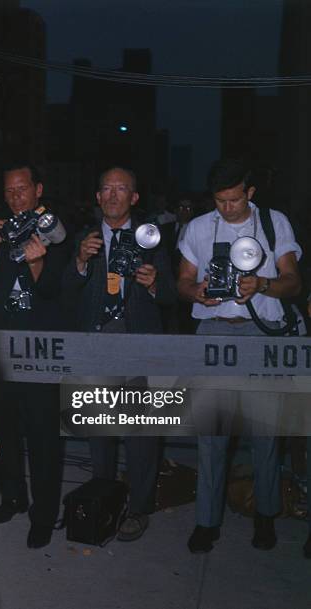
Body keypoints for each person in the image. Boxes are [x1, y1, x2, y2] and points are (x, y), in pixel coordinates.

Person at [178, 159, 302, 554]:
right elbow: (182, 280)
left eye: (233, 199)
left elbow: (293, 282)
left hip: (260, 335)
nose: (226, 208)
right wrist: (195, 292)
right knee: (211, 433)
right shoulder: (198, 227)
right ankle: (206, 521)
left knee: (264, 432)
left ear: (250, 193)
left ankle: (264, 514)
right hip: (214, 332)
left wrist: (262, 284)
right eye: (219, 200)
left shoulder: (273, 223)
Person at [62, 166, 176, 541]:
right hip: (96, 345)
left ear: (134, 197)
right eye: (105, 189)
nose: (112, 195)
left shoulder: (152, 239)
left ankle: (139, 508)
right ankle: (102, 501)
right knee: (99, 432)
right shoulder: (85, 236)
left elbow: (175, 295)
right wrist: (79, 261)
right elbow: (65, 290)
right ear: (97, 197)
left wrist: (156, 283)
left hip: (140, 343)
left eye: (121, 189)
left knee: (142, 432)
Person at [0, 161, 69, 549]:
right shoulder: (1, 228)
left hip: (39, 352)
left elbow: (60, 295)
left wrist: (38, 263)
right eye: (9, 191)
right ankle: (14, 497)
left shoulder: (56, 232)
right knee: (4, 430)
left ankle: (44, 513)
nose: (15, 197)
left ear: (38, 189)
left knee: (43, 436)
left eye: (22, 189)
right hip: (1, 349)